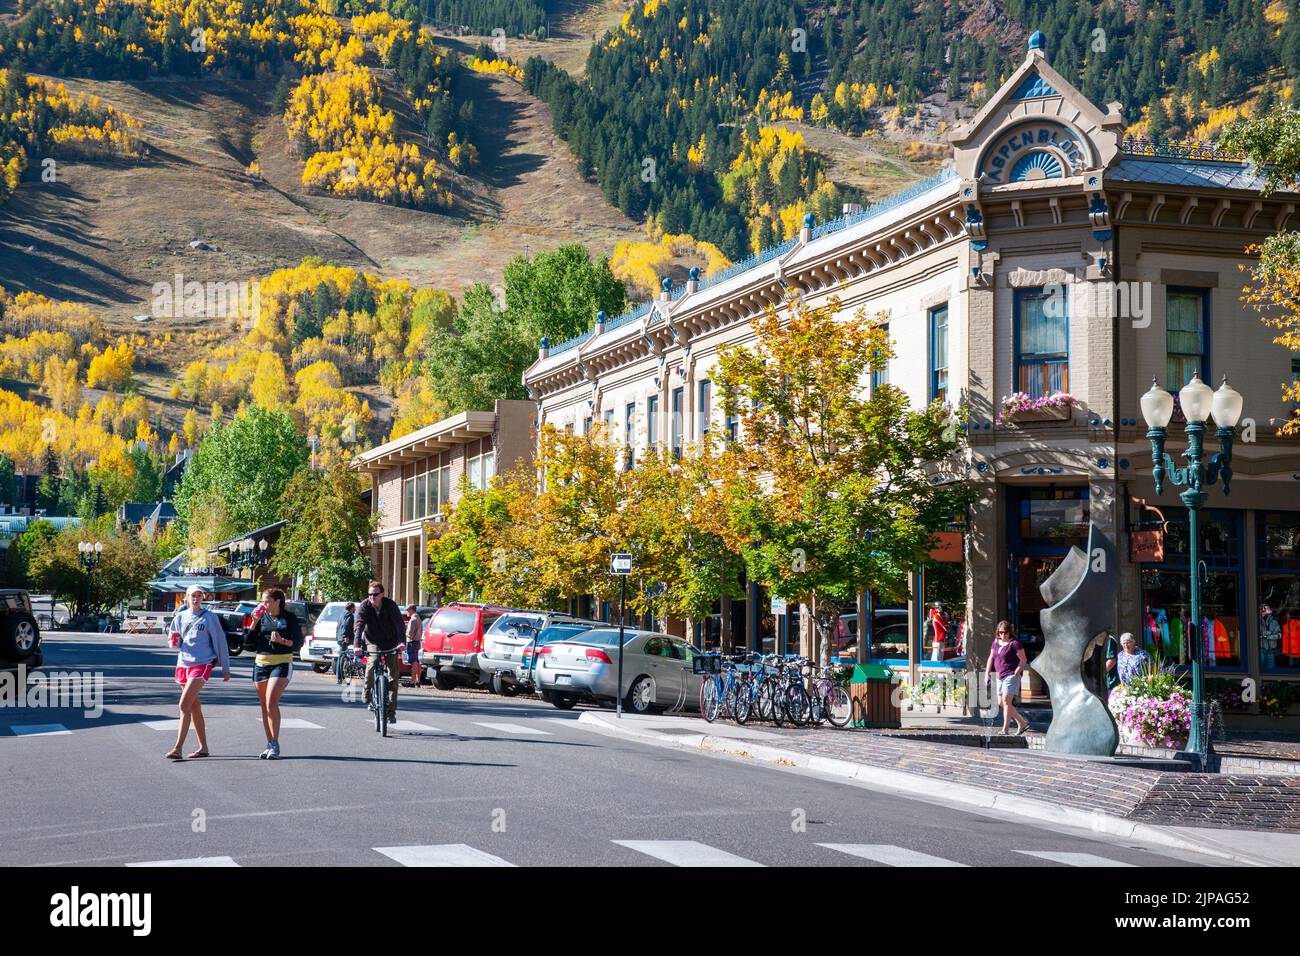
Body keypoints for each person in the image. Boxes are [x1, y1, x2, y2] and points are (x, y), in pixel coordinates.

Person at [166, 585, 230, 760]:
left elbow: (221, 641)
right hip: (183, 663)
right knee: (194, 706)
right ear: (186, 598)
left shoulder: (209, 617)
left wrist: (225, 667)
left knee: (183, 705)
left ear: (203, 598)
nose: (196, 599)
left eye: (199, 596)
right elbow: (173, 638)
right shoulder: (180, 616)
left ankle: (177, 748)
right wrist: (173, 640)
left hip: (202, 663)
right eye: (192, 596)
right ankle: (203, 748)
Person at [244, 588, 304, 759]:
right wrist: (254, 622)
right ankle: (269, 743)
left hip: (282, 662)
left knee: (271, 702)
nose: (264, 605)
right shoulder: (261, 616)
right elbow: (248, 644)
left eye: (267, 601)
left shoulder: (289, 617)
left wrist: (282, 641)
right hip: (261, 663)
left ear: (278, 601)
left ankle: (275, 745)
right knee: (264, 706)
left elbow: (298, 643)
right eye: (263, 601)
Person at [355, 581, 405, 722]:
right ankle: (367, 691)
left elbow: (399, 624)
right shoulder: (365, 606)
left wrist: (402, 642)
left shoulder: (390, 605)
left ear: (382, 594)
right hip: (373, 641)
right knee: (373, 662)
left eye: (375, 594)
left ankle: (390, 711)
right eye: (370, 594)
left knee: (393, 678)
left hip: (390, 641)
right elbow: (359, 625)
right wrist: (357, 645)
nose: (372, 597)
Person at [983, 620, 1030, 735]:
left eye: (1005, 632)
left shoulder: (1014, 643)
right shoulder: (996, 642)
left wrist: (1017, 672)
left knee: (1006, 701)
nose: (1003, 635)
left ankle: (1005, 729)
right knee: (1001, 702)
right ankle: (1022, 723)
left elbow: (1023, 659)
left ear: (1009, 632)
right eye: (1000, 633)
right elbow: (991, 658)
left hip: (1010, 675)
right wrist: (986, 673)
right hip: (1000, 675)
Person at [336, 602, 356, 684]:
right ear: (351, 608)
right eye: (354, 608)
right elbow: (345, 625)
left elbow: (338, 627)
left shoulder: (342, 615)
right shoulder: (350, 616)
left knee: (341, 656)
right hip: (345, 638)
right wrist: (345, 637)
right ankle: (339, 677)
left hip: (340, 638)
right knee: (341, 657)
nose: (355, 609)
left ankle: (339, 677)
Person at [403, 604, 422, 687]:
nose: (406, 612)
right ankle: (418, 681)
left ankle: (412, 682)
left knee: (413, 662)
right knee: (417, 662)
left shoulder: (413, 620)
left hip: (412, 642)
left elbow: (409, 634)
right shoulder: (418, 618)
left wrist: (404, 632)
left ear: (411, 610)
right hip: (418, 642)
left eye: (407, 610)